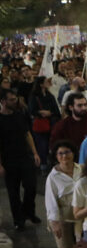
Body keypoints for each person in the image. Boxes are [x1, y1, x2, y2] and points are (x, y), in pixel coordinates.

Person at [44, 140, 84, 248]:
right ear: (56, 156)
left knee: (84, 246)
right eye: (60, 153)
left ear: (73, 153)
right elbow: (50, 201)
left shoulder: (82, 169)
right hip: (62, 216)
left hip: (81, 213)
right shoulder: (53, 177)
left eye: (67, 152)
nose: (64, 156)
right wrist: (54, 223)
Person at [0, 87, 41, 231]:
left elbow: (27, 134)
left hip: (25, 156)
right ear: (3, 101)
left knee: (31, 186)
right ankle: (18, 220)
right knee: (13, 192)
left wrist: (35, 153)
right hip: (8, 159)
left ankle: (28, 211)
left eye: (15, 99)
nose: (15, 101)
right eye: (11, 100)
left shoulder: (19, 115)